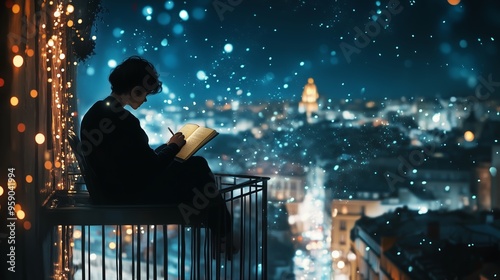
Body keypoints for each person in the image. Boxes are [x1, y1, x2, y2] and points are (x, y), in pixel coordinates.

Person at [79, 56, 237, 258]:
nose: (144, 99)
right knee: (198, 165)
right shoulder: (124, 121)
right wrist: (172, 148)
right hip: (128, 196)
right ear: (135, 89)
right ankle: (224, 232)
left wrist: (169, 148)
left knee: (194, 172)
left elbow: (136, 161)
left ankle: (221, 230)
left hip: (114, 191)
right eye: (144, 93)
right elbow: (149, 168)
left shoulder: (99, 112)